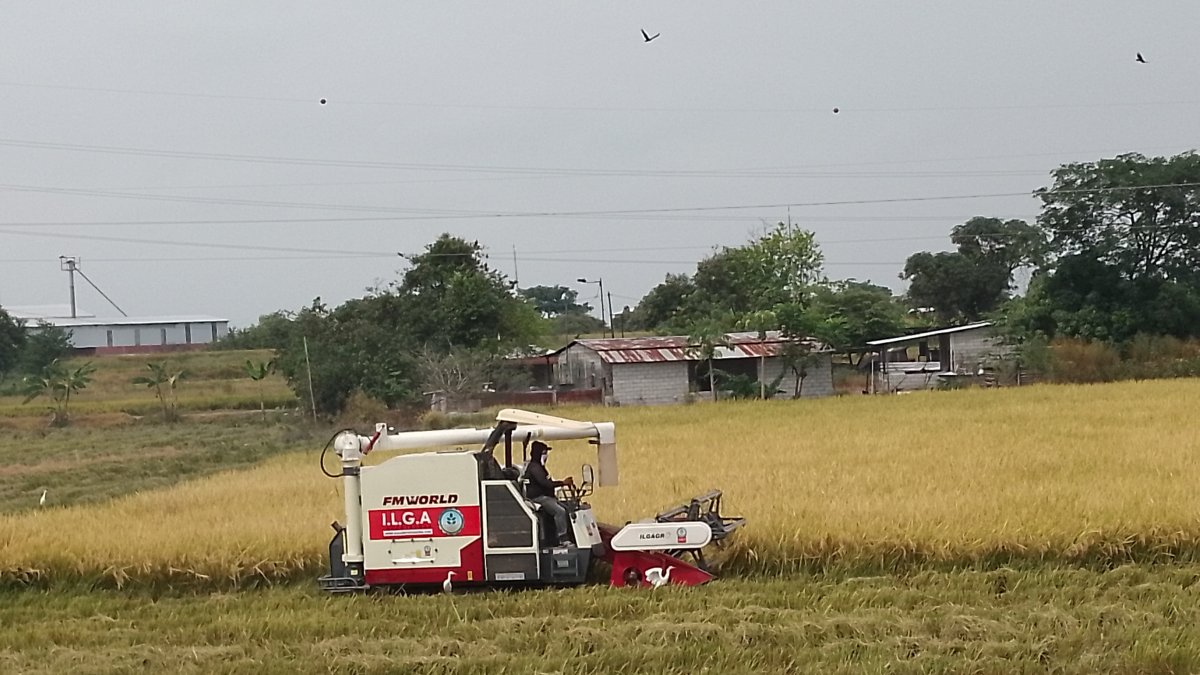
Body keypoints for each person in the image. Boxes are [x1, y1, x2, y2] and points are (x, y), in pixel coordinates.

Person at [524, 440, 574, 546]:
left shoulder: (538, 467)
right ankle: (563, 538)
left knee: (568, 508)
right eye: (544, 453)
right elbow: (545, 483)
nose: (546, 456)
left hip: (546, 497)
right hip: (538, 498)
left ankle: (558, 536)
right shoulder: (535, 468)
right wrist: (563, 483)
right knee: (559, 511)